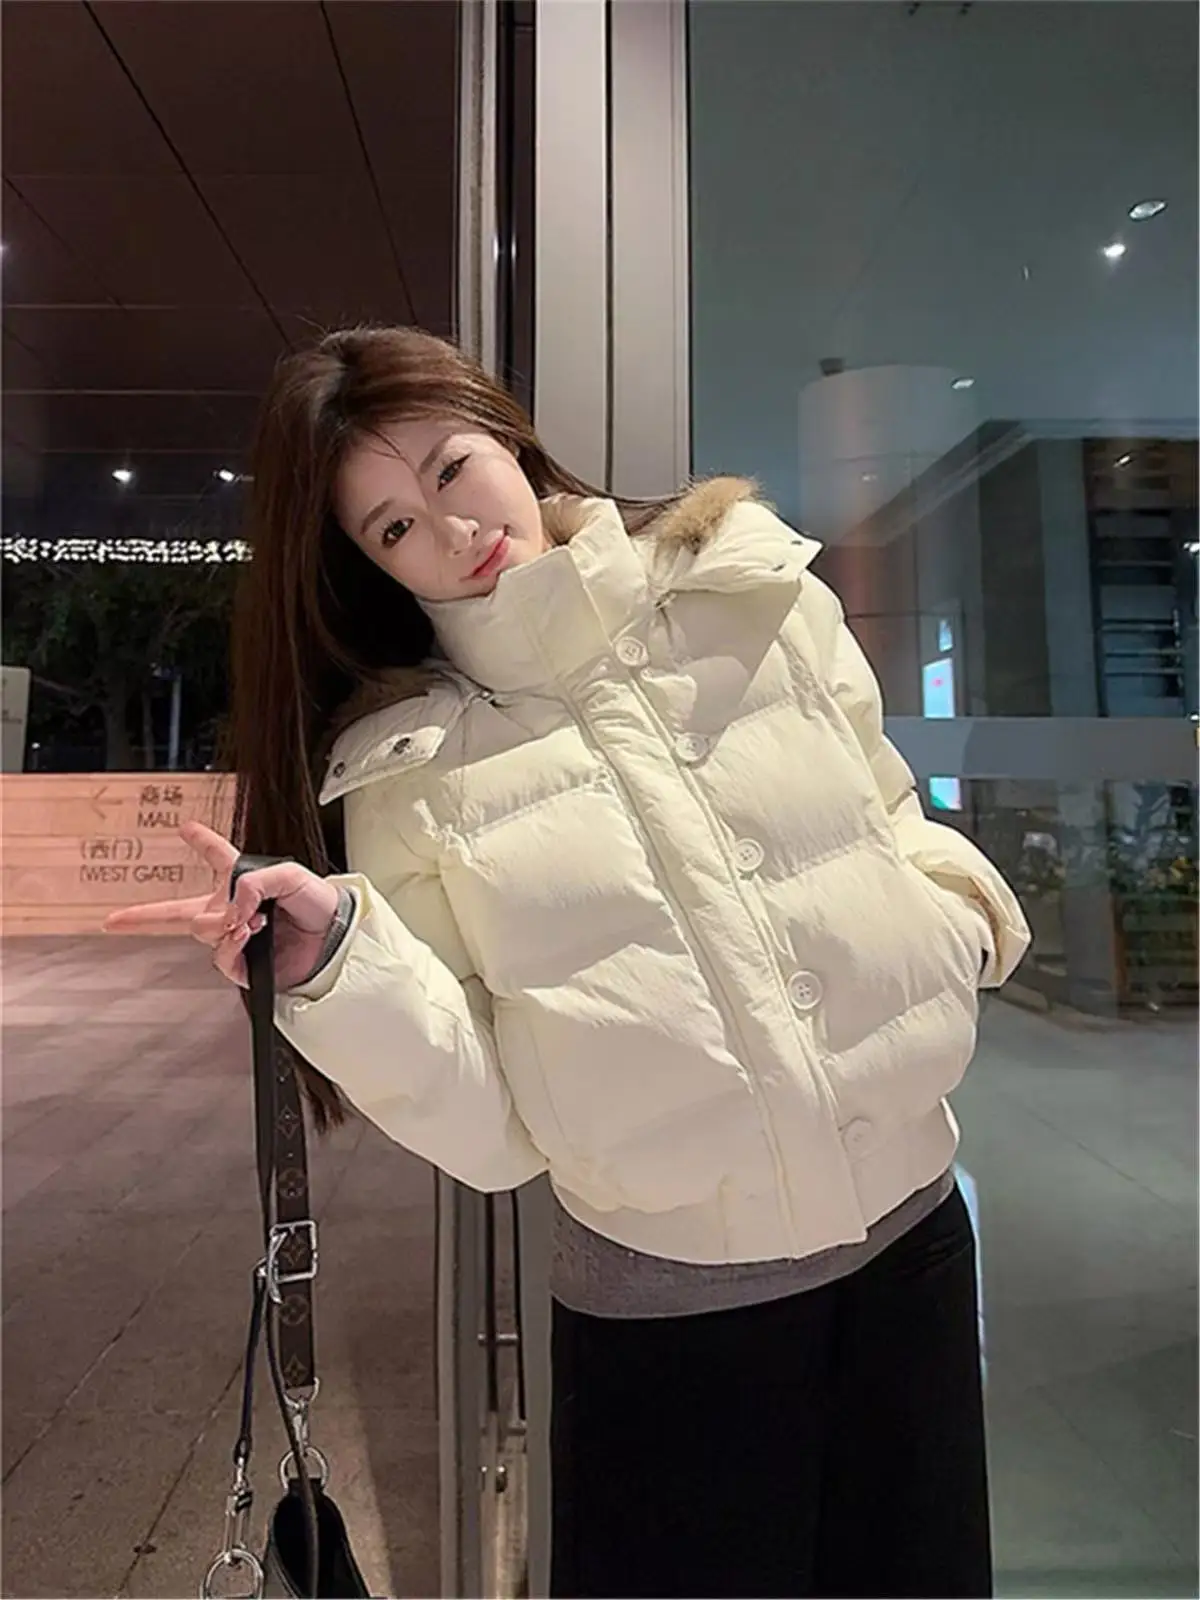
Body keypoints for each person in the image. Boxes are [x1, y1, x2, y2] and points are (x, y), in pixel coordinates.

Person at [106, 325, 1030, 1599]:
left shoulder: (750, 591)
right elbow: (493, 1131)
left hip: (913, 1248)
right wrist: (338, 971)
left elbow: (889, 810)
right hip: (670, 1324)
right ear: (366, 562)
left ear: (505, 433)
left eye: (451, 467)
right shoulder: (406, 773)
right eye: (391, 526)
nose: (450, 529)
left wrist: (956, 917)